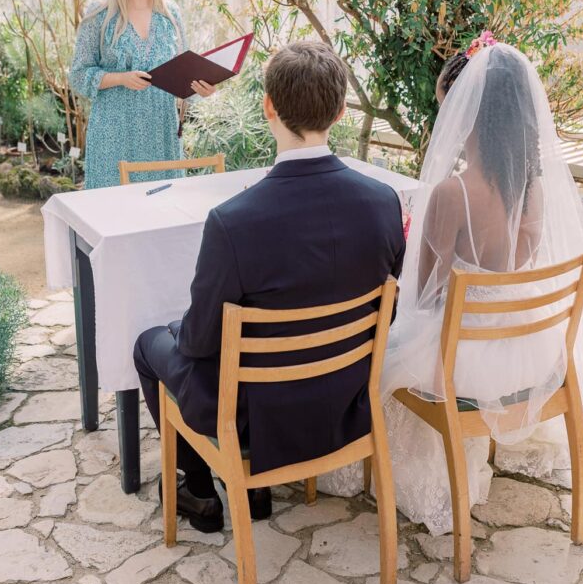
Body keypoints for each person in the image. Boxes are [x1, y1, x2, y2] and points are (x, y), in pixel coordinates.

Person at [324, 36, 583, 534]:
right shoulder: (534, 187)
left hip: (468, 361)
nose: (448, 125)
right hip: (530, 349)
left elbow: (427, 294)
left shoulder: (450, 194)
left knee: (372, 352)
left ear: (473, 118)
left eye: (451, 111)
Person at [134, 40, 406, 532]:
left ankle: (199, 490)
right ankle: (252, 490)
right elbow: (388, 311)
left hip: (255, 416)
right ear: (341, 111)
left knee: (150, 343)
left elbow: (197, 343)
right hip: (344, 400)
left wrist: (179, 330)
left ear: (268, 107)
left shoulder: (233, 221)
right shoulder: (383, 202)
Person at [69, 0, 215, 189]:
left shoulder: (171, 15)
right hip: (114, 133)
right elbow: (79, 75)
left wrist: (202, 89)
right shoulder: (99, 15)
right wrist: (120, 78)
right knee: (115, 214)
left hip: (161, 132)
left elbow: (183, 74)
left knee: (163, 211)